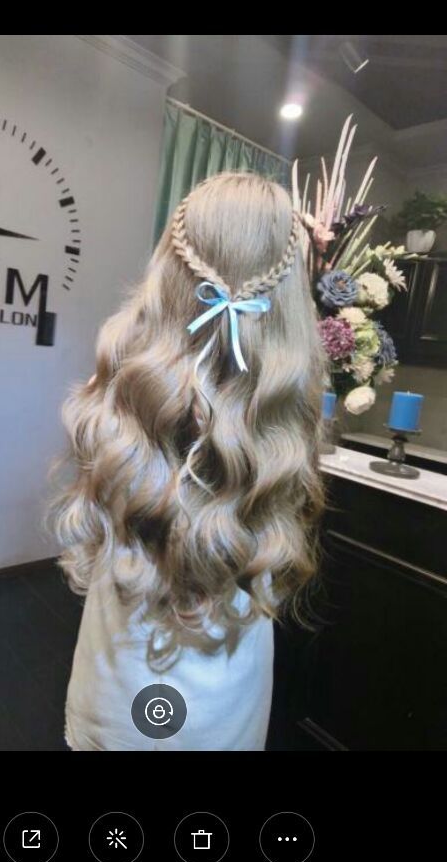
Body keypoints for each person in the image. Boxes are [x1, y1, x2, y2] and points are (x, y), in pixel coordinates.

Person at [44, 171, 329, 750]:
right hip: (227, 691)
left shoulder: (124, 385)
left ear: (168, 268)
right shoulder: (288, 413)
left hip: (120, 680)